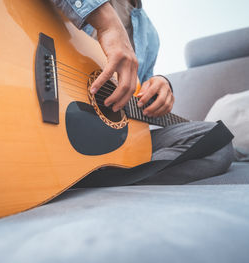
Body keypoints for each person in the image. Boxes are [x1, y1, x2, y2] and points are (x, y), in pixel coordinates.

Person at [50, 0, 234, 184]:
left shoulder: (150, 36)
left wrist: (159, 87)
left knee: (217, 141)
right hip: (48, 116)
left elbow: (135, 100)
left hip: (101, 138)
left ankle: (90, 175)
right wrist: (108, 25)